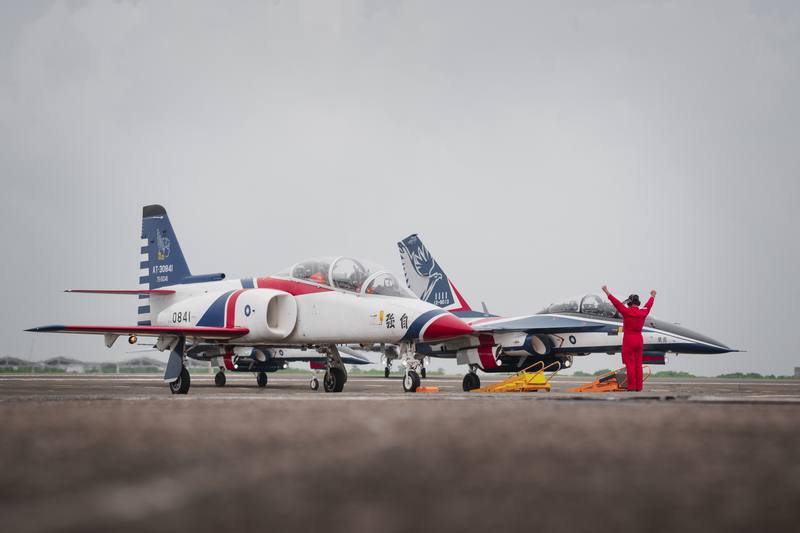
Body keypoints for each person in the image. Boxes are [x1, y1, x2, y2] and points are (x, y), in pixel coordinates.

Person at [602, 285, 656, 391]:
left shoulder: (626, 312)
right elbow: (648, 306)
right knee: (638, 365)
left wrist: (607, 292)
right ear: (637, 303)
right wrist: (652, 296)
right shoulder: (643, 312)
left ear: (630, 303)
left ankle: (631, 387)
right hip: (639, 340)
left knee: (630, 365)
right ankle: (639, 387)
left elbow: (616, 303)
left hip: (629, 340)